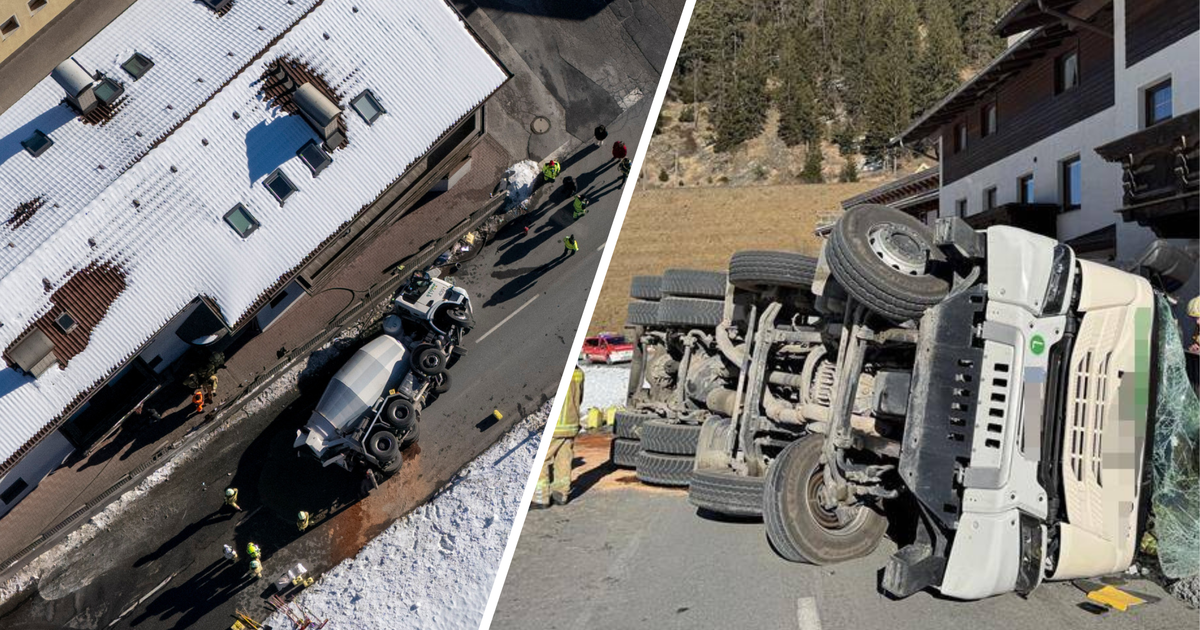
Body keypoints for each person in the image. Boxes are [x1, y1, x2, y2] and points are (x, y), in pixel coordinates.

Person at [532, 367, 584, 508]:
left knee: (542, 459)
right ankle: (561, 493)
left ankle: (540, 497)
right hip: (571, 424)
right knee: (564, 458)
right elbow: (580, 398)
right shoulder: (579, 373)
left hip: (556, 426)